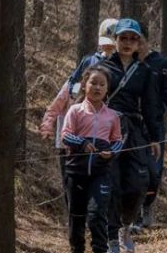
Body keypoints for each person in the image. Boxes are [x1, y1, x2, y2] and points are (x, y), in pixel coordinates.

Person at [102, 18, 164, 253]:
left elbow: (150, 107)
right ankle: (111, 242)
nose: (127, 43)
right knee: (111, 184)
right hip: (108, 130)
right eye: (123, 38)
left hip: (135, 131)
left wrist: (155, 138)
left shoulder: (146, 71)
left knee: (140, 181)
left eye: (132, 39)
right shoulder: (104, 68)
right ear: (115, 40)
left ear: (139, 43)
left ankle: (126, 227)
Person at [39, 18, 118, 198]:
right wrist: (47, 124)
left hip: (97, 142)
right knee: (72, 189)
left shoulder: (116, 72)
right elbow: (58, 102)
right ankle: (73, 222)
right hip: (70, 142)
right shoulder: (80, 73)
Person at [60, 66, 123, 253]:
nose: (97, 87)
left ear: (107, 89)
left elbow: (117, 142)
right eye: (93, 82)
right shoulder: (75, 110)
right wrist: (83, 143)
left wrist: (110, 153)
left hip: (100, 172)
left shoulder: (113, 116)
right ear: (85, 85)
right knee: (76, 214)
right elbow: (65, 136)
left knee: (97, 213)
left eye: (102, 84)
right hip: (75, 171)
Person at [136, 24, 167, 229]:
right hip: (130, 126)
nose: (137, 46)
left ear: (147, 40)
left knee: (153, 172)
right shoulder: (126, 63)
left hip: (155, 126)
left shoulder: (162, 63)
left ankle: (147, 205)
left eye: (140, 41)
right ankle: (133, 213)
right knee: (133, 171)